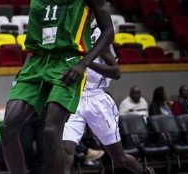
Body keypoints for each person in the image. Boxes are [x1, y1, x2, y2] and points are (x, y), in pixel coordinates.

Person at [0, 0, 115, 174]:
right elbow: (38, 31)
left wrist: (83, 64)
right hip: (36, 61)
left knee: (51, 131)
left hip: (67, 61)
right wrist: (26, 65)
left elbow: (108, 32)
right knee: (8, 128)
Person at [62, 26, 150, 174]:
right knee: (66, 150)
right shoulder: (67, 31)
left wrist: (86, 61)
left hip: (96, 99)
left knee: (119, 158)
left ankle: (145, 172)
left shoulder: (98, 36)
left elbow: (116, 72)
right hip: (72, 97)